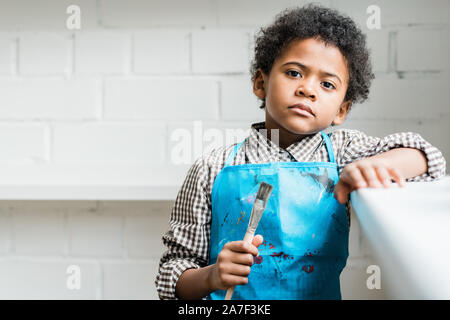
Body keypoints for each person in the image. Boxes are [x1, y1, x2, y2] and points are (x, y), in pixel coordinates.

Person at [155, 4, 446, 300]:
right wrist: (211, 275)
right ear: (260, 83)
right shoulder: (212, 167)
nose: (308, 89)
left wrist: (382, 164)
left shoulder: (343, 153)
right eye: (294, 73)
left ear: (342, 110)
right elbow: (172, 271)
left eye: (327, 84)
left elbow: (426, 156)